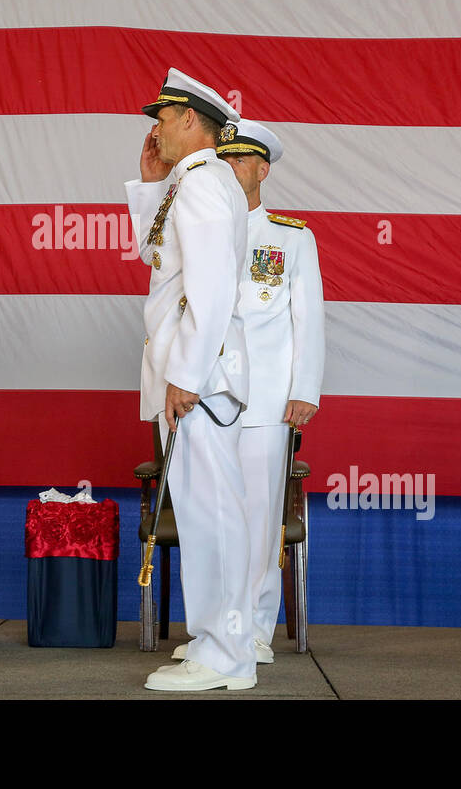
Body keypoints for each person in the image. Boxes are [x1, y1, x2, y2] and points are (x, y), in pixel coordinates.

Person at [124, 68, 256, 691]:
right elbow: (160, 259)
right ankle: (219, 641)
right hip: (197, 375)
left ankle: (225, 652)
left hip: (197, 377)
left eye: (162, 117)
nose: (155, 128)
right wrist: (151, 186)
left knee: (212, 515)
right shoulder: (194, 183)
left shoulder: (204, 184)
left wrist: (187, 376)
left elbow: (207, 290)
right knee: (207, 512)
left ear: (188, 121)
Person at [211, 117, 324, 660]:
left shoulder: (290, 237)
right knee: (211, 516)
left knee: (258, 519)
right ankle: (214, 631)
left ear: (262, 168)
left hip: (264, 401)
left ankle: (253, 630)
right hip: (207, 398)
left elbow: (310, 321)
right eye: (223, 158)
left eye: (240, 160)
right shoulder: (200, 226)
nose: (230, 168)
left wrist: (305, 389)